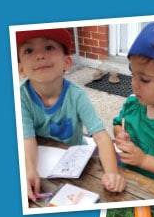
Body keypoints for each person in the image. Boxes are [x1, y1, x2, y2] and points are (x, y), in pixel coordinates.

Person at [16, 28, 126, 201]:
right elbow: (26, 139)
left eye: (49, 47)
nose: (39, 55)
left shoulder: (77, 95)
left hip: (76, 163)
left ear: (67, 62)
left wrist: (112, 173)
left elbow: (101, 137)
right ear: (20, 69)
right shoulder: (20, 97)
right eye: (29, 50)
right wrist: (29, 170)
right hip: (39, 162)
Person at [113, 21, 154, 188]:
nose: (134, 83)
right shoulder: (133, 104)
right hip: (126, 178)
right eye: (132, 74)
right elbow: (118, 125)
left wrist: (144, 160)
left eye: (144, 79)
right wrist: (121, 135)